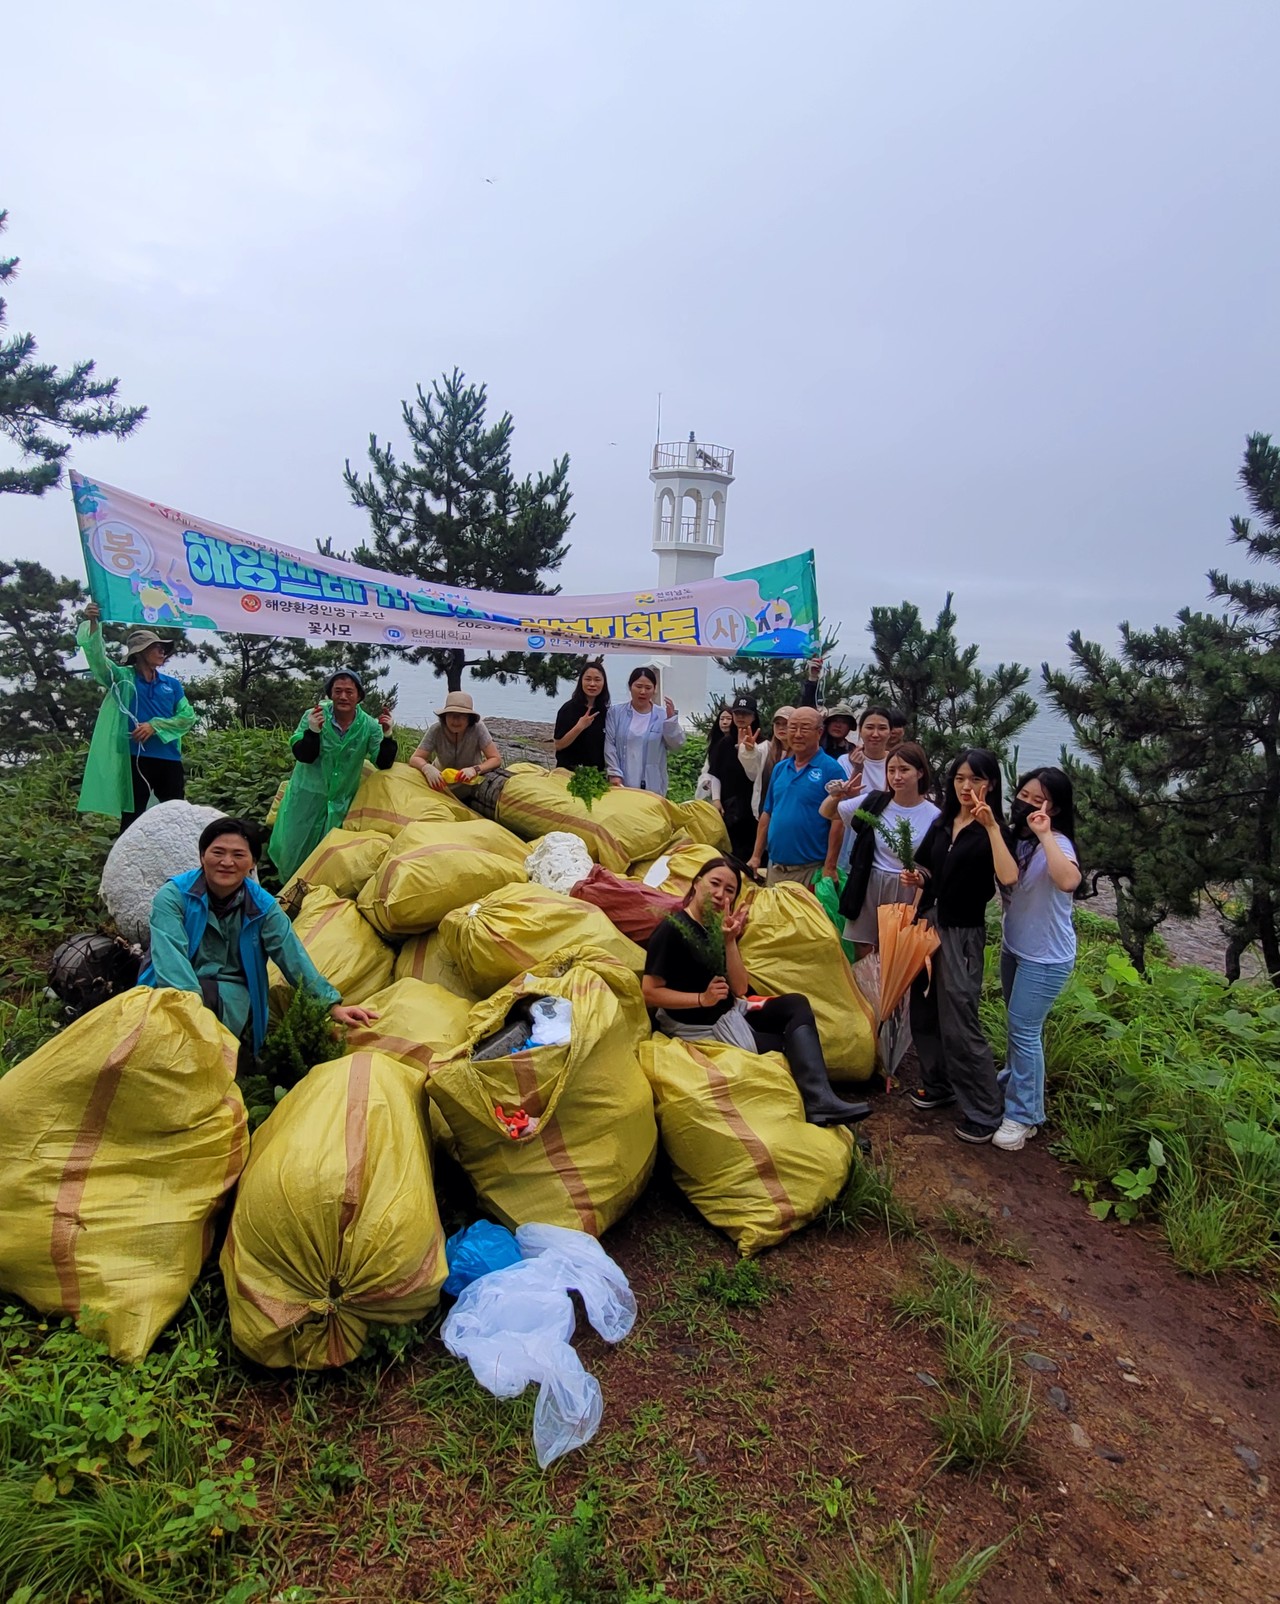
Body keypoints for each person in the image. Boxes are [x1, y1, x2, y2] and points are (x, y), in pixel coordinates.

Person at [642, 857, 869, 1125]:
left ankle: (820, 1100)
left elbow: (739, 988)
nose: (719, 894)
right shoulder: (672, 930)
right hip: (701, 1026)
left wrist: (729, 941)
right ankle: (816, 1110)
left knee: (796, 1004)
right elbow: (650, 992)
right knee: (786, 1049)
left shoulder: (714, 928)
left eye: (729, 891)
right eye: (714, 884)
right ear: (696, 883)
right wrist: (701, 999)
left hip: (729, 1011)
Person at [141, 817, 377, 1058]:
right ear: (202, 856)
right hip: (170, 989)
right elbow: (171, 956)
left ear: (253, 863)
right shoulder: (174, 896)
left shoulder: (262, 907)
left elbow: (291, 955)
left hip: (233, 994)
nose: (227, 862)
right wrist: (189, 1005)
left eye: (238, 855)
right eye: (218, 852)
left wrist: (331, 1005)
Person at [905, 750, 1019, 1144]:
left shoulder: (994, 830)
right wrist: (919, 880)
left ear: (991, 783)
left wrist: (989, 827)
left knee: (959, 1019)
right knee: (922, 1008)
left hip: (963, 933)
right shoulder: (942, 823)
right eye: (959, 779)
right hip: (929, 923)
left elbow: (1008, 877)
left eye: (976, 779)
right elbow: (930, 870)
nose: (967, 787)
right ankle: (937, 1084)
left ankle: (985, 1109)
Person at [994, 768, 1082, 1152]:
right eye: (1022, 795)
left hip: (1046, 957)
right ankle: (1015, 1082)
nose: (1026, 804)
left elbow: (1068, 881)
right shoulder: (1017, 840)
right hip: (1015, 946)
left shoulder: (1057, 842)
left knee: (1025, 1031)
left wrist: (1046, 833)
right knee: (1017, 1027)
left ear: (1055, 807)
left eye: (1037, 799)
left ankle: (1024, 1116)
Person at [75, 601, 197, 834]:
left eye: (163, 648)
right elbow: (99, 661)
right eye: (156, 647)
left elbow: (187, 717)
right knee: (133, 818)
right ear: (140, 652)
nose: (162, 652)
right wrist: (93, 623)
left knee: (177, 813)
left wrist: (155, 726)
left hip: (169, 758)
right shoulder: (123, 678)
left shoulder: (172, 685)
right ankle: (126, 865)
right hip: (135, 758)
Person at [268, 669, 396, 881]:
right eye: (337, 691)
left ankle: (316, 904)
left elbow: (383, 762)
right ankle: (286, 900)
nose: (343, 697)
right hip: (305, 799)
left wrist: (388, 735)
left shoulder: (369, 726)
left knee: (326, 861)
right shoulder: (314, 716)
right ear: (330, 694)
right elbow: (303, 755)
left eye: (349, 691)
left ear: (359, 696)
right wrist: (312, 732)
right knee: (292, 852)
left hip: (340, 804)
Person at [830, 742, 940, 957]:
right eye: (891, 770)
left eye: (904, 770)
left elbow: (933, 864)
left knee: (897, 953)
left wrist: (919, 880)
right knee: (863, 947)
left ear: (919, 773)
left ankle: (891, 992)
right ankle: (866, 990)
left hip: (907, 887)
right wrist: (836, 795)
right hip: (869, 881)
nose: (897, 776)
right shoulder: (876, 801)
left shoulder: (933, 815)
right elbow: (829, 813)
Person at [747, 705, 844, 888]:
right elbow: (768, 813)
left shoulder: (831, 769)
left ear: (819, 732)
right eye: (793, 727)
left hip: (811, 871)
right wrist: (756, 856)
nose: (797, 734)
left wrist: (830, 866)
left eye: (805, 728)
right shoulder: (780, 768)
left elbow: (838, 820)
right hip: (775, 868)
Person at [603, 666, 685, 795]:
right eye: (638, 686)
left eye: (648, 688)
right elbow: (610, 745)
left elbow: (677, 745)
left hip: (653, 785)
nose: (643, 691)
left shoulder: (662, 715)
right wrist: (614, 773)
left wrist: (671, 721)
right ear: (630, 687)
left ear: (654, 689)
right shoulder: (616, 713)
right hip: (621, 784)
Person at [411, 692, 503, 792]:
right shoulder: (436, 729)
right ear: (444, 716)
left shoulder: (478, 728)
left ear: (469, 718)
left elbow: (495, 759)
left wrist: (475, 769)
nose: (455, 721)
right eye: (451, 715)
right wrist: (427, 768)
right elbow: (416, 758)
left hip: (470, 786)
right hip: (440, 784)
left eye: (461, 716)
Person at [707, 692, 763, 860]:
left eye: (745, 714)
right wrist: (716, 799)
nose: (741, 717)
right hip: (729, 807)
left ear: (754, 717)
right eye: (737, 713)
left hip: (753, 809)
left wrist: (748, 751)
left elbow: (756, 775)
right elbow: (715, 773)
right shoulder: (724, 743)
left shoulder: (763, 743)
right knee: (728, 853)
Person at [553, 660, 610, 772]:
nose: (592, 684)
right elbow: (559, 745)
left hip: (596, 776)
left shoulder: (605, 712)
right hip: (568, 773)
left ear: (604, 683)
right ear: (581, 682)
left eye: (597, 680)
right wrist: (580, 727)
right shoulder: (568, 709)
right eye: (588, 679)